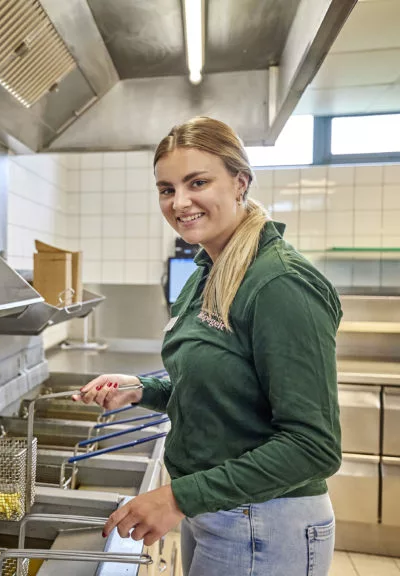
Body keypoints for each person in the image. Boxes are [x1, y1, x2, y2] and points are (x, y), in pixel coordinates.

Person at [74, 117, 342, 576]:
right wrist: (143, 389)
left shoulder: (279, 283)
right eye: (166, 188)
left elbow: (313, 445)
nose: (180, 202)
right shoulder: (207, 271)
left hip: (264, 522)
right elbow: (222, 385)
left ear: (240, 182)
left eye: (198, 182)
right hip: (219, 510)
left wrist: (178, 498)